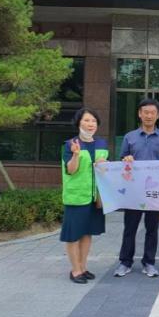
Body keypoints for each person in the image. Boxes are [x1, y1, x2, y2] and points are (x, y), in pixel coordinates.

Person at [114, 99, 159, 278]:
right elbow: (122, 160)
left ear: (158, 115)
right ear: (139, 114)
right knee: (130, 228)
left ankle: (149, 262)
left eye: (152, 112)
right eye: (145, 112)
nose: (149, 115)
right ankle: (125, 262)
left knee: (152, 229)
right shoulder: (129, 137)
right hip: (134, 191)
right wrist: (126, 159)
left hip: (154, 191)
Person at [60, 108, 108, 284]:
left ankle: (83, 267)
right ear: (79, 122)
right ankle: (75, 270)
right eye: (86, 120)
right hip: (77, 196)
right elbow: (71, 170)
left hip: (95, 197)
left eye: (93, 121)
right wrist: (76, 154)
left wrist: (105, 165)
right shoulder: (70, 144)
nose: (90, 124)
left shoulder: (101, 143)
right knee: (74, 235)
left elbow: (104, 170)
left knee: (87, 233)